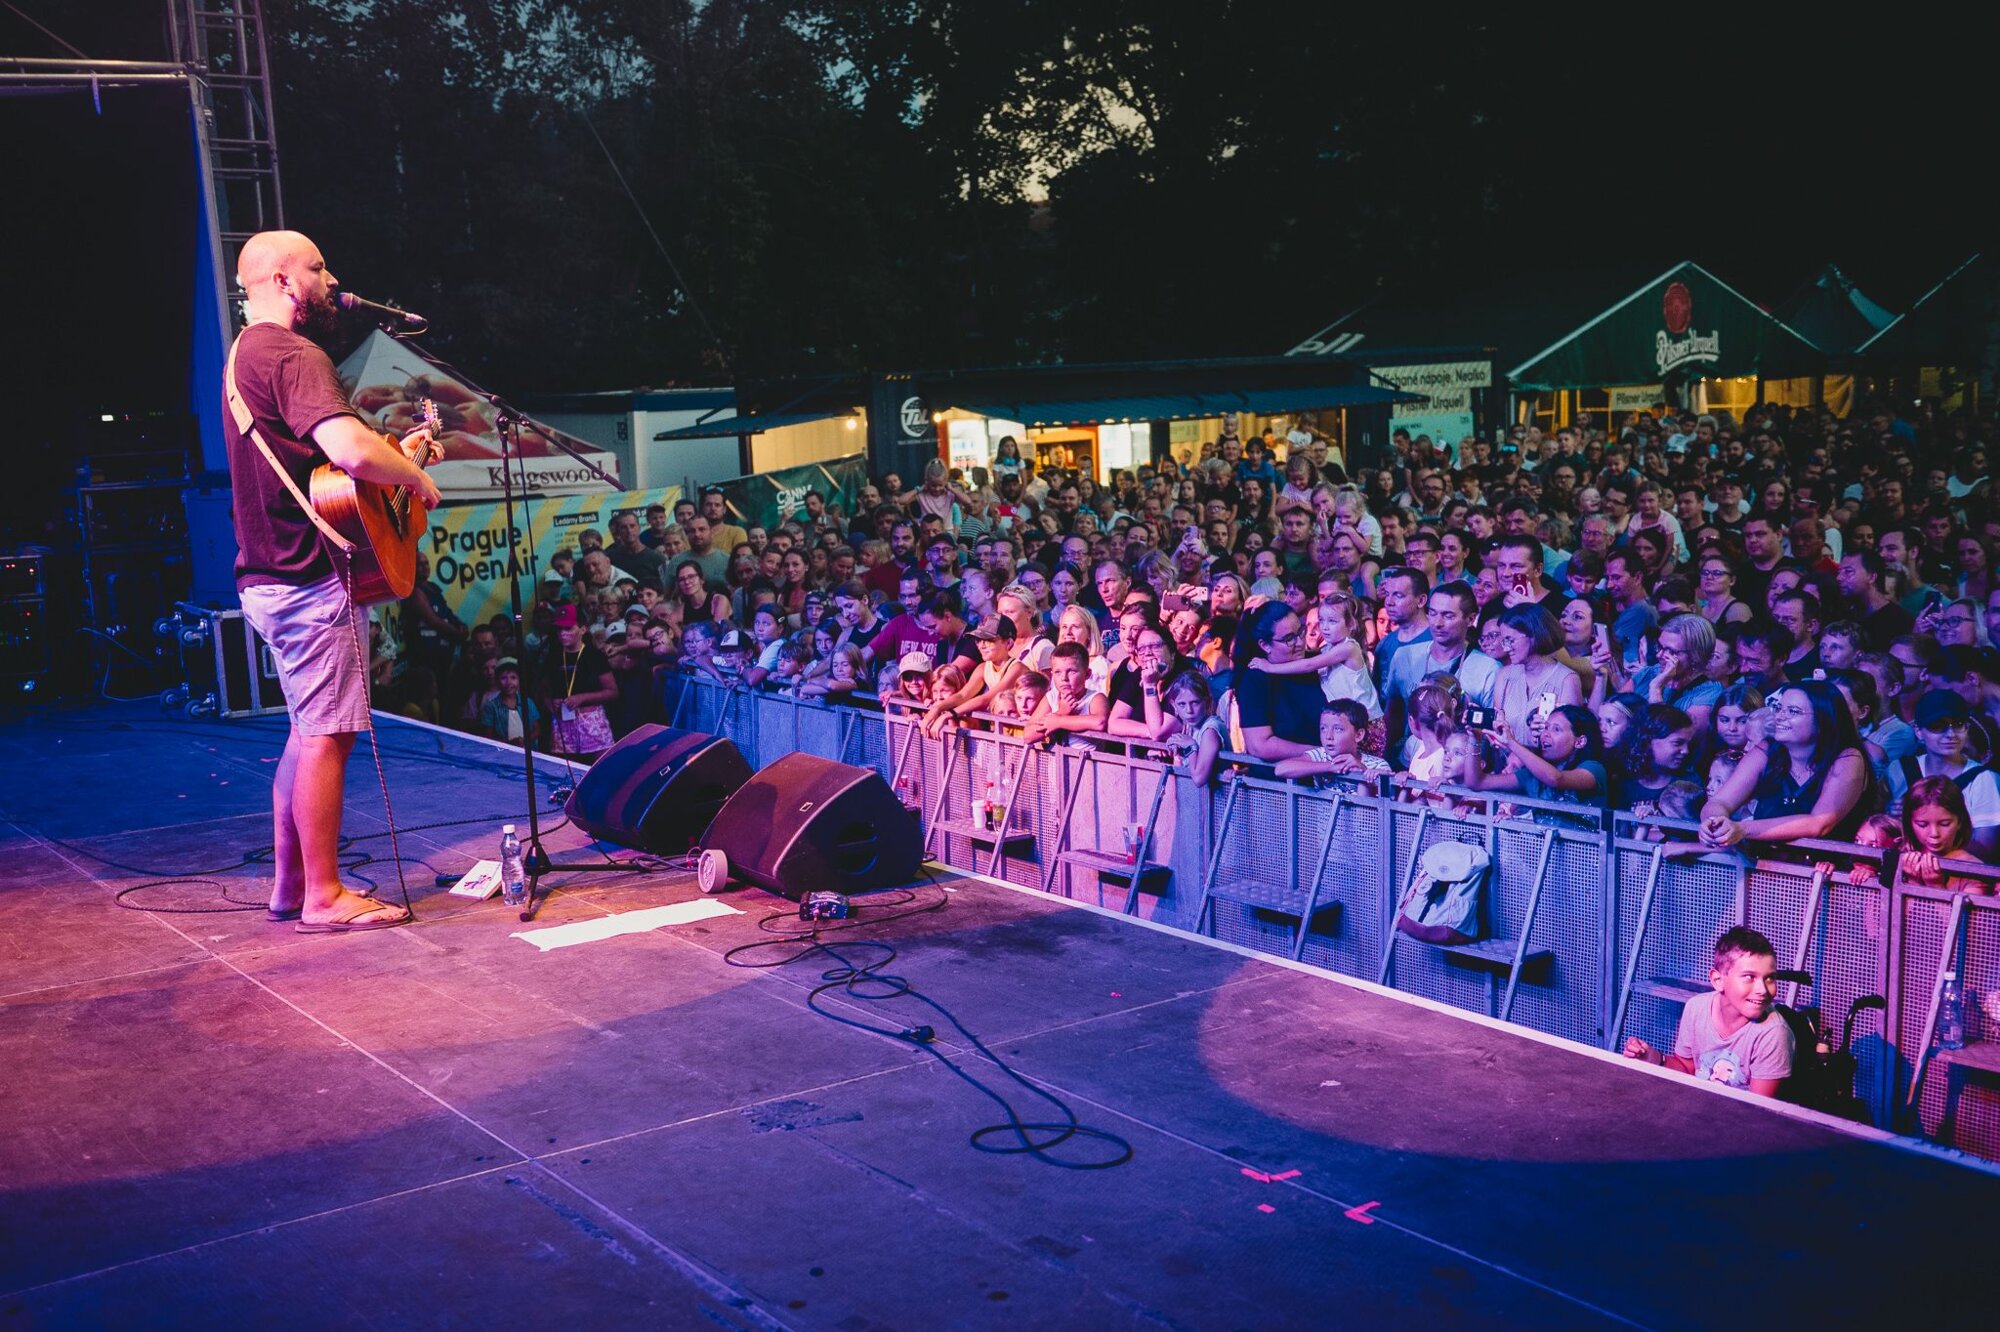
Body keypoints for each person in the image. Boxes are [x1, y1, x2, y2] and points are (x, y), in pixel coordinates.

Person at [223, 231, 441, 933]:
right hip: (309, 580)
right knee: (328, 735)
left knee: (306, 732)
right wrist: (415, 477)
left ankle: (291, 885)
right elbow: (348, 450)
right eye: (317, 268)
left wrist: (397, 457)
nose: (331, 279)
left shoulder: (244, 354)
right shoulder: (292, 352)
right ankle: (324, 895)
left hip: (270, 576)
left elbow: (327, 471)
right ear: (285, 281)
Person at [1623, 926, 1794, 1097]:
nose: (1762, 990)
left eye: (1770, 978)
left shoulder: (1773, 1033)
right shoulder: (1696, 1008)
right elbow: (1687, 1070)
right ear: (1718, 980)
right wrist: (1654, 1058)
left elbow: (1757, 1108)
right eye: (1749, 977)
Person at [1700, 681, 1874, 847]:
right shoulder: (1766, 750)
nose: (1779, 717)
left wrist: (1742, 829)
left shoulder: (1848, 758)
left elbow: (1818, 823)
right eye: (1778, 708)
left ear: (1823, 719)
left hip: (1824, 865)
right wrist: (1715, 823)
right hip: (1763, 862)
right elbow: (1720, 802)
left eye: (1793, 711)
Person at [1897, 776, 1992, 894]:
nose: (1934, 833)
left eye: (1944, 824)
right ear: (1910, 823)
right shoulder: (1900, 856)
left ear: (1960, 821)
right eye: (1922, 825)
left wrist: (1935, 886)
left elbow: (1969, 906)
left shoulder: (1975, 871)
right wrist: (1913, 882)